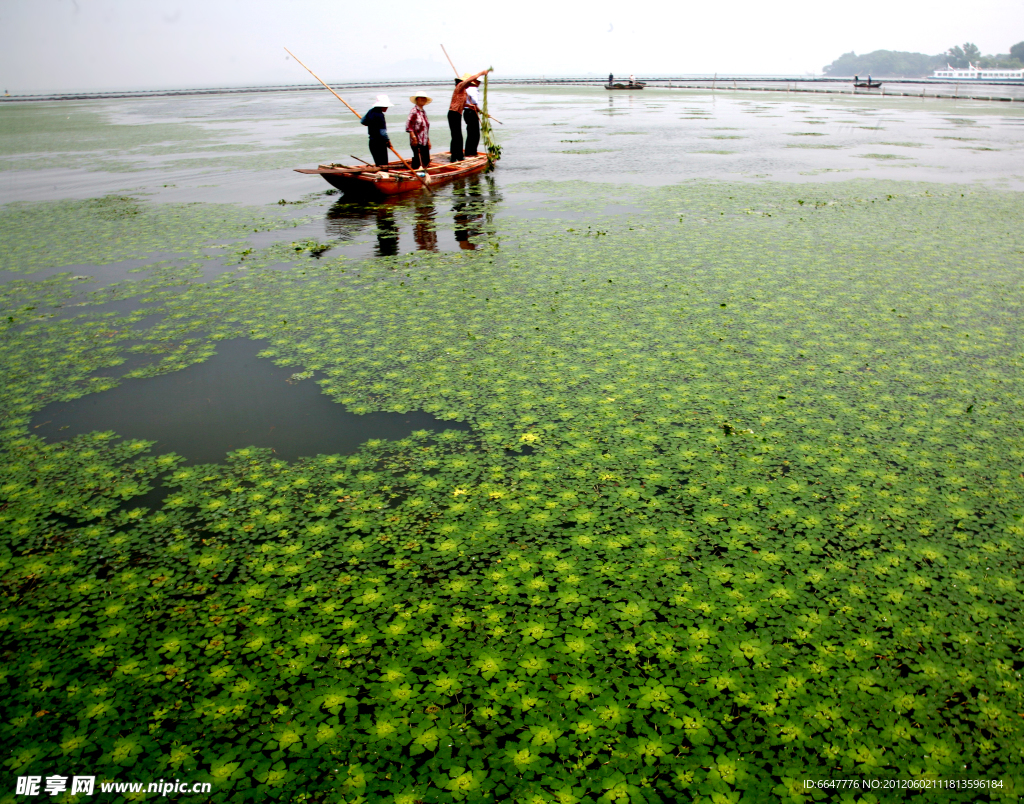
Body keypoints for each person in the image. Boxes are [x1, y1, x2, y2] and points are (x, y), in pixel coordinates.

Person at [448, 69, 490, 162]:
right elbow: (468, 80)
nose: (469, 84)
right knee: (457, 136)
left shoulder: (463, 91)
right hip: (453, 113)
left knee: (458, 136)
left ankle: (458, 155)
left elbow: (460, 103)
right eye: (468, 83)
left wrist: (469, 105)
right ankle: (455, 157)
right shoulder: (460, 86)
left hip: (458, 113)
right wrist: (481, 73)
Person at [360, 94, 392, 167]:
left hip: (372, 142)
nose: (387, 107)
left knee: (378, 163)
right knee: (383, 165)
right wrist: (388, 141)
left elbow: (363, 121)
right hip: (380, 143)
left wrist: (371, 123)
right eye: (386, 106)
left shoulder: (370, 111)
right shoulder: (380, 115)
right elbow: (383, 133)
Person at [406, 94, 432, 170]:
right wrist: (414, 138)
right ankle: (416, 175)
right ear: (417, 99)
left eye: (424, 98)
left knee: (426, 160)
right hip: (417, 141)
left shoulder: (423, 112)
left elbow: (425, 128)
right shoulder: (414, 111)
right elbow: (409, 126)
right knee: (419, 161)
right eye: (421, 98)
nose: (423, 99)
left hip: (424, 140)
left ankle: (422, 173)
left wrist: (428, 141)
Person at [464, 79, 482, 157]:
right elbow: (474, 101)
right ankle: (471, 152)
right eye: (479, 82)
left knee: (471, 132)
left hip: (467, 112)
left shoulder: (467, 89)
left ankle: (469, 151)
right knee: (475, 134)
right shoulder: (473, 89)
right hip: (471, 112)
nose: (479, 83)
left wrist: (480, 111)